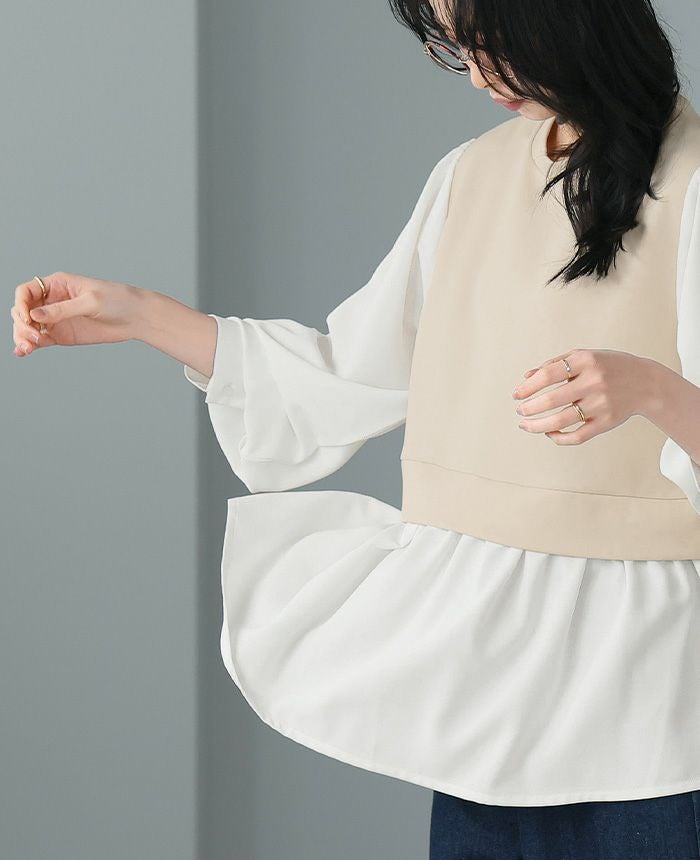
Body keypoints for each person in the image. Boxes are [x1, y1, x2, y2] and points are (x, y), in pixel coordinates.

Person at [11, 0, 700, 857]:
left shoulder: (694, 179)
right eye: (456, 48)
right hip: (484, 699)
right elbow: (349, 371)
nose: (477, 75)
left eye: (492, 42)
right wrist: (144, 316)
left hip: (649, 707)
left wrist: (653, 389)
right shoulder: (470, 176)